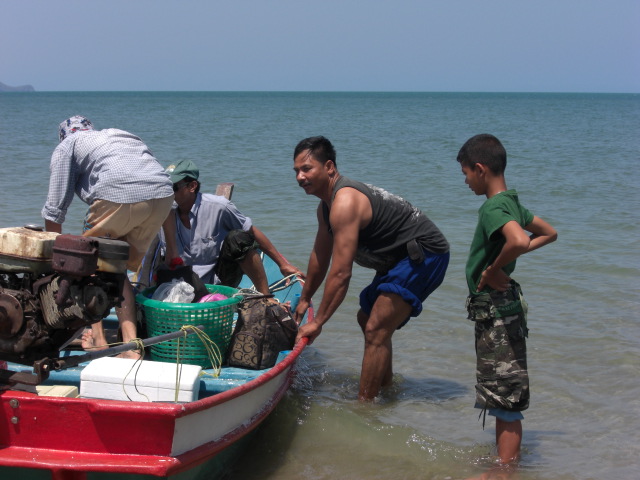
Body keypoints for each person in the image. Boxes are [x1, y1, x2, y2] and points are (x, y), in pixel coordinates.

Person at [292, 136, 450, 401]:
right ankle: (387, 391)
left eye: (306, 168)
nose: (299, 176)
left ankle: (365, 407)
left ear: (329, 167)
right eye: (296, 171)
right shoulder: (326, 207)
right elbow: (320, 255)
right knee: (367, 320)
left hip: (425, 254)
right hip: (397, 259)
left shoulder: (345, 202)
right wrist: (305, 297)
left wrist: (318, 322)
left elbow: (341, 274)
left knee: (376, 327)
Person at [456, 134, 557, 471]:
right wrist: (504, 264)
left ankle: (502, 472)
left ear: (480, 169)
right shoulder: (511, 201)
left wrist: (493, 269)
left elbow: (516, 239)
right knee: (506, 391)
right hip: (506, 305)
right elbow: (547, 233)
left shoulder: (493, 206)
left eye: (466, 173)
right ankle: (505, 465)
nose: (466, 180)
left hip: (496, 310)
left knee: (505, 398)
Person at [42, 115, 174, 359]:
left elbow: (55, 207)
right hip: (163, 196)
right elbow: (150, 170)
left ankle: (98, 339)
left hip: (118, 192)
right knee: (116, 266)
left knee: (88, 261)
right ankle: (131, 344)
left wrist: (53, 258)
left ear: (65, 135)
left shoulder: (67, 145)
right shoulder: (119, 135)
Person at [159, 160, 302, 295]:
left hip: (219, 281)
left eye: (174, 188)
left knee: (238, 238)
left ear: (192, 186)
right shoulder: (162, 213)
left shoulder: (219, 207)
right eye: (165, 187)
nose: (168, 193)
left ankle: (266, 298)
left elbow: (251, 231)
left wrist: (282, 264)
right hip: (180, 283)